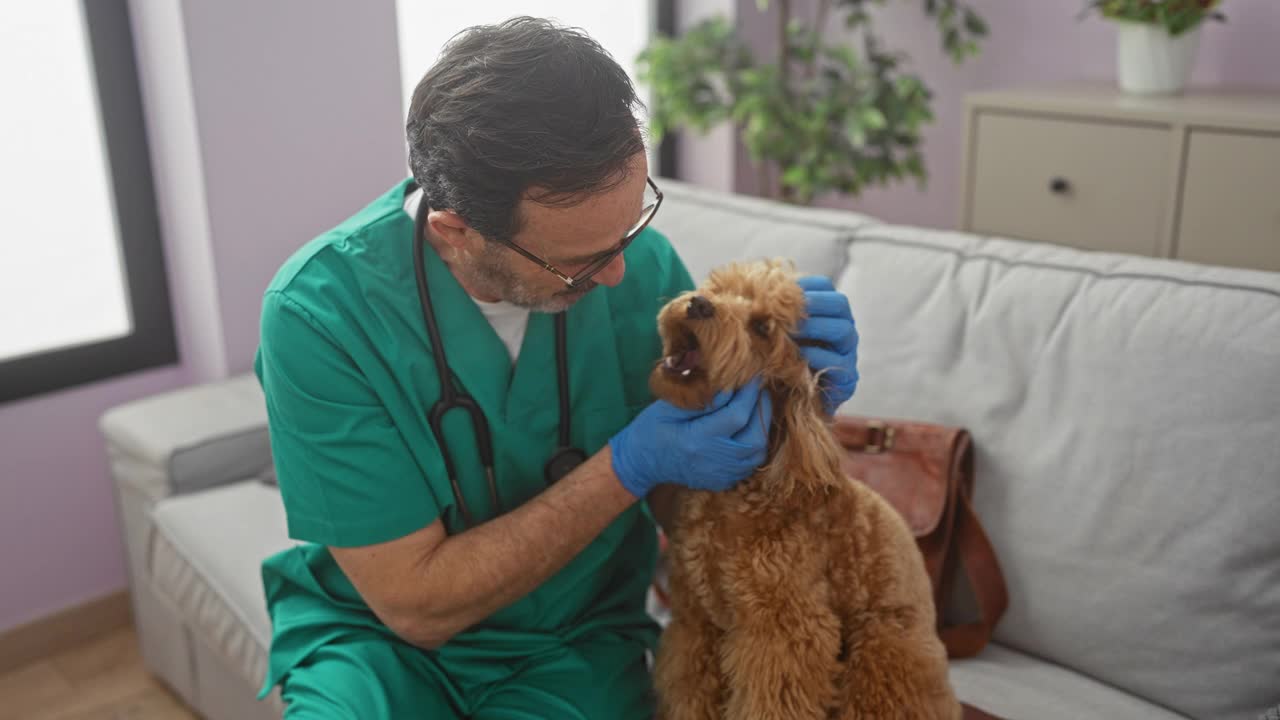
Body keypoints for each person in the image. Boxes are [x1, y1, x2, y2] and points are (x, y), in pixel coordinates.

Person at [253, 16, 859, 720]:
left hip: (574, 638)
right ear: (455, 230)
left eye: (632, 225)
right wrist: (626, 463)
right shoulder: (320, 316)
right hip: (376, 645)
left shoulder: (646, 271)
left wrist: (793, 406)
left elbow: (697, 498)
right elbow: (413, 606)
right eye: (578, 260)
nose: (621, 274)